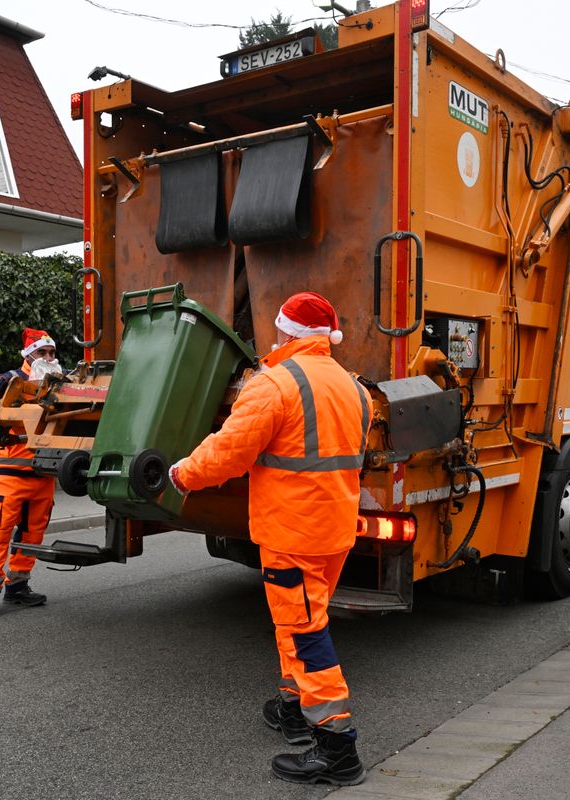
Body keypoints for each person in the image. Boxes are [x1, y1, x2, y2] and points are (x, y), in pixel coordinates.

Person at [168, 292, 371, 786]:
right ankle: (293, 708)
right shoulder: (355, 388)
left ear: (285, 332)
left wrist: (180, 474)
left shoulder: (274, 384)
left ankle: (337, 747)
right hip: (335, 530)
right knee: (301, 618)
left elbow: (228, 454)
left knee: (304, 634)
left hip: (292, 532)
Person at [0, 328, 60, 621]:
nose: (48, 357)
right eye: (41, 352)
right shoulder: (8, 380)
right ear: (28, 355)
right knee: (0, 532)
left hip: (44, 471)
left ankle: (18, 584)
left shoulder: (59, 382)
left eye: (51, 352)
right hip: (11, 473)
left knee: (33, 533)